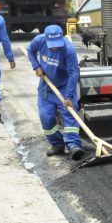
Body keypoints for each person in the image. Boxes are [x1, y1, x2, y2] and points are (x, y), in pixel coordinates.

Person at [26, 25, 85, 160]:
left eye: (57, 44)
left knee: (69, 115)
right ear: (46, 39)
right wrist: (36, 66)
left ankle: (74, 145)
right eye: (52, 45)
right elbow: (30, 50)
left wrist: (69, 96)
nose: (55, 48)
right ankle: (57, 145)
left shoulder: (68, 49)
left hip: (64, 86)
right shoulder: (39, 41)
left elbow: (73, 73)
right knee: (46, 117)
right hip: (47, 87)